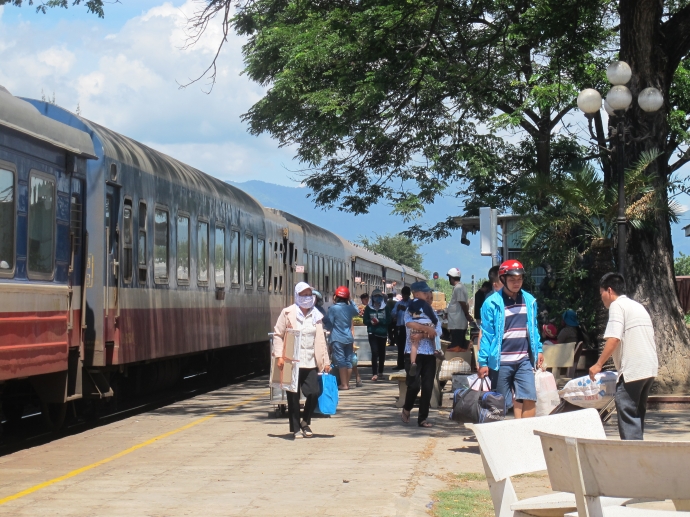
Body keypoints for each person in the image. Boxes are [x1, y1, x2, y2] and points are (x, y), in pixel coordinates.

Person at [590, 273, 657, 440]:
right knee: (636, 413)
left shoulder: (617, 306)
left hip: (633, 369)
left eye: (602, 294)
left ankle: (631, 456)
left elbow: (614, 338)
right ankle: (638, 453)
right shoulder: (637, 306)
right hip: (649, 368)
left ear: (609, 290)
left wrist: (598, 364)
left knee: (626, 410)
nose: (602, 299)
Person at [478, 260, 543, 419]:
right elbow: (487, 334)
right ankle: (505, 439)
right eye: (512, 279)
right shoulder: (491, 303)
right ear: (502, 279)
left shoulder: (529, 300)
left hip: (523, 360)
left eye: (519, 279)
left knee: (529, 397)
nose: (516, 283)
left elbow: (533, 328)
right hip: (501, 362)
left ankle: (527, 435)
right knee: (501, 404)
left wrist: (539, 349)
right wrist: (483, 362)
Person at [273, 282, 331, 439]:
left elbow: (321, 340)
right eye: (303, 295)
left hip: (311, 361)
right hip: (292, 360)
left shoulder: (316, 315)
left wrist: (326, 361)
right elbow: (278, 334)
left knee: (314, 392)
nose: (307, 298)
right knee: (293, 396)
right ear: (297, 296)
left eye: (309, 295)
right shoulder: (288, 313)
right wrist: (279, 356)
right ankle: (296, 428)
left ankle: (305, 421)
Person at [400, 281, 442, 428]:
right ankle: (407, 408)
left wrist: (424, 334)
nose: (429, 296)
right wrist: (427, 330)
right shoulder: (410, 309)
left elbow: (437, 332)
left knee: (428, 386)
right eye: (426, 294)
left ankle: (422, 418)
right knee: (414, 385)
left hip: (429, 353)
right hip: (412, 352)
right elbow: (409, 325)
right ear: (416, 294)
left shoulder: (432, 313)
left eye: (429, 294)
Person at [323, 286, 360, 390]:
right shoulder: (350, 308)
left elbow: (329, 323)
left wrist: (324, 329)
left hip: (337, 338)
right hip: (348, 337)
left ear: (336, 296)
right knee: (348, 360)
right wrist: (351, 300)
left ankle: (343, 385)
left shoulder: (333, 309)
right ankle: (346, 384)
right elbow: (357, 311)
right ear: (347, 297)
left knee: (341, 361)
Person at [406, 297, 440, 376]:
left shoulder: (411, 310)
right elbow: (437, 331)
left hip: (415, 327)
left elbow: (408, 322)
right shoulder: (427, 310)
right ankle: (436, 349)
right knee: (434, 335)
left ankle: (413, 362)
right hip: (428, 325)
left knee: (414, 345)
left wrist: (420, 335)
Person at [362, 288, 391, 381]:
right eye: (375, 296)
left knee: (382, 353)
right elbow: (365, 320)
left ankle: (381, 372)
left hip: (382, 333)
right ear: (372, 297)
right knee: (374, 352)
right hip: (372, 333)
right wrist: (371, 321)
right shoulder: (369, 308)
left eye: (379, 296)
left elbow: (389, 320)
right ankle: (374, 373)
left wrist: (380, 321)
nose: (377, 298)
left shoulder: (385, 307)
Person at [446, 268, 474, 351]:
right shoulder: (460, 287)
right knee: (458, 346)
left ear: (451, 277)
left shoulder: (458, 288)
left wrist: (467, 314)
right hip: (457, 322)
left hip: (457, 323)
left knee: (456, 347)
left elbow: (462, 303)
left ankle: (457, 361)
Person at [391, 286, 412, 370]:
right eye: (403, 295)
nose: (405, 297)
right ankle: (400, 364)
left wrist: (406, 309)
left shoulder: (411, 303)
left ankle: (408, 364)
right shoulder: (398, 303)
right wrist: (397, 310)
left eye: (406, 295)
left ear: (409, 294)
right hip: (400, 327)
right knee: (400, 346)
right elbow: (392, 314)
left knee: (408, 346)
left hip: (409, 327)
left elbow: (415, 313)